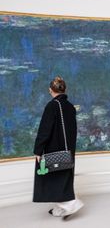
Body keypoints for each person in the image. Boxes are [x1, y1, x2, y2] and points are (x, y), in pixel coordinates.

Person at [33, 76, 84, 219]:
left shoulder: (52, 106)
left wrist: (38, 150)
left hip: (53, 149)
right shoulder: (70, 106)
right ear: (64, 89)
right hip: (68, 150)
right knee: (63, 177)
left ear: (50, 90)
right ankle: (60, 206)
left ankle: (71, 203)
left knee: (52, 177)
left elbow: (44, 129)